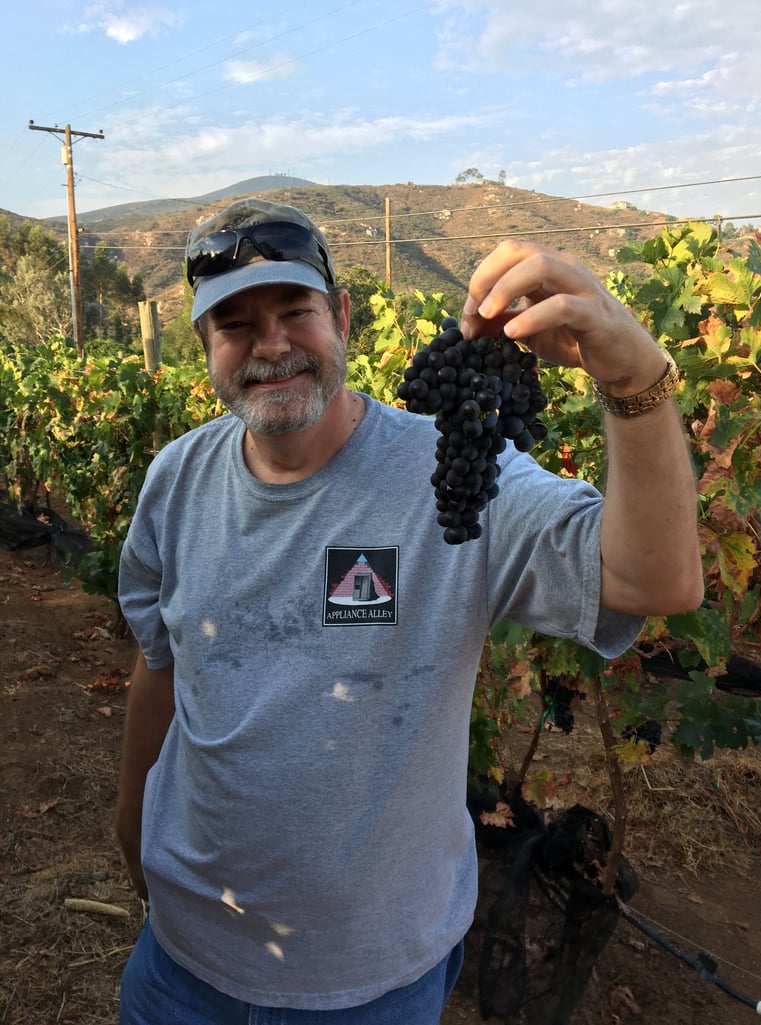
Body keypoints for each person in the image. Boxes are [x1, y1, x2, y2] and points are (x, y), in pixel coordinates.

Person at [115, 196, 703, 1024]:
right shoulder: (175, 481)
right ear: (205, 344)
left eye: (295, 312)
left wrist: (634, 379)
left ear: (342, 317)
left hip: (370, 984)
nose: (271, 345)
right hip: (182, 963)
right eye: (236, 324)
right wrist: (132, 828)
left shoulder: (456, 471)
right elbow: (161, 667)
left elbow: (657, 581)